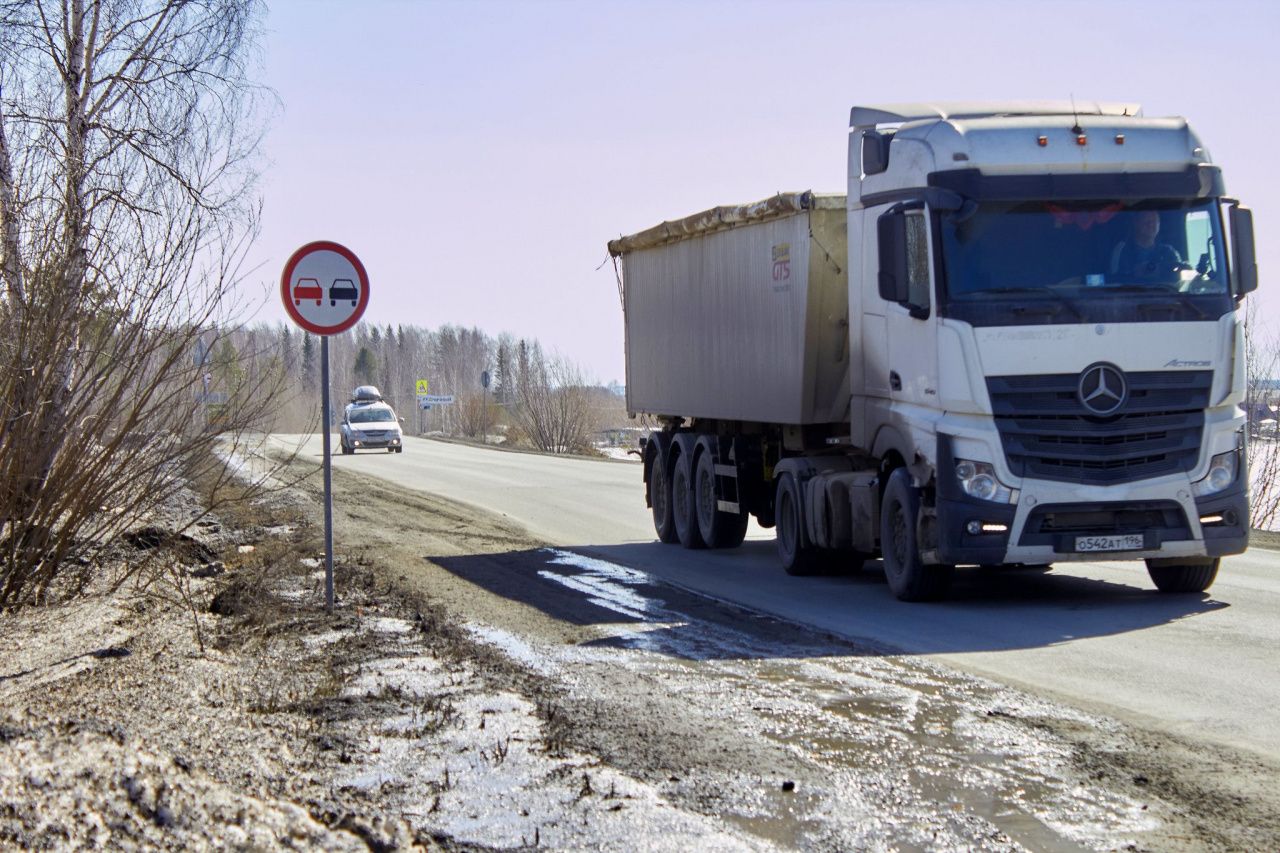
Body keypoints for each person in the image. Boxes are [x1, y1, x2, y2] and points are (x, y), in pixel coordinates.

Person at [1109, 210, 1183, 283]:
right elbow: (1114, 279)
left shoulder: (1168, 252)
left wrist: (1161, 269)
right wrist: (1133, 274)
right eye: (1146, 220)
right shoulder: (1122, 251)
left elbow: (1179, 275)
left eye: (1154, 221)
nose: (1150, 224)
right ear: (1136, 223)